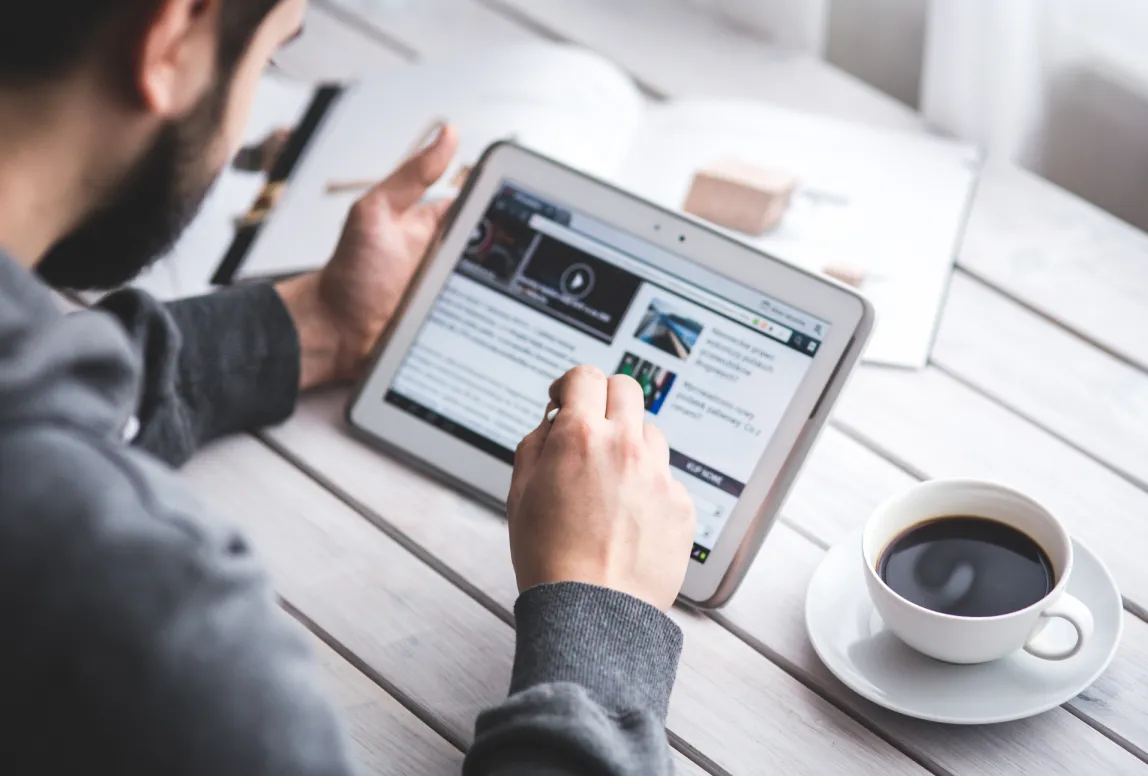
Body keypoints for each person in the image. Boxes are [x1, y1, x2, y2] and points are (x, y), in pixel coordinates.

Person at [0, 1, 696, 774]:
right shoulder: (159, 631)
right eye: (267, 59)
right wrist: (600, 622)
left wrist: (314, 324)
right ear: (169, 40)